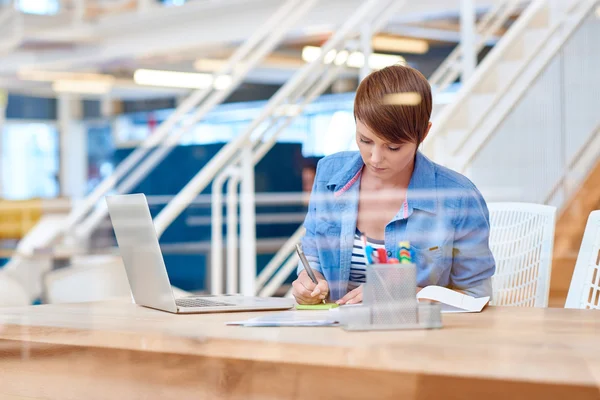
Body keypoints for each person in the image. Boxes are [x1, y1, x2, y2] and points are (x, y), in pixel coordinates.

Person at [292, 64, 495, 305]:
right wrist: (307, 280)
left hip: (419, 339)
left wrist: (407, 295)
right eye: (365, 140)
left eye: (393, 147)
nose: (375, 158)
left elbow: (478, 295)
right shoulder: (329, 176)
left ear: (424, 133)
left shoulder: (458, 197)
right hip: (339, 334)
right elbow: (313, 256)